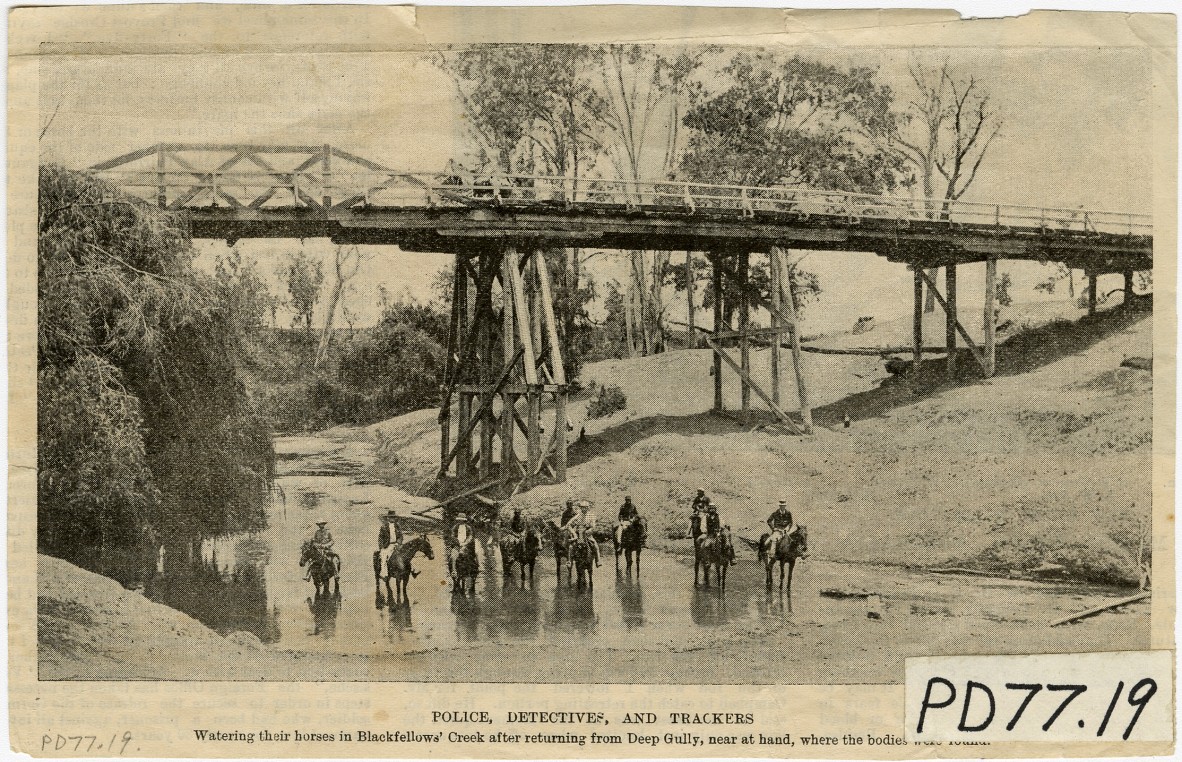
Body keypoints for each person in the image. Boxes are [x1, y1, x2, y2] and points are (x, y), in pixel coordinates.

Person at [562, 500, 600, 567]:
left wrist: (589, 531)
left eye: (585, 507)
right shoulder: (578, 516)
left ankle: (598, 560)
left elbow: (593, 526)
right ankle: (569, 562)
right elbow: (568, 524)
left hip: (587, 534)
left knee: (595, 545)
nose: (584, 509)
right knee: (571, 547)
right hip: (578, 534)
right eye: (582, 507)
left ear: (588, 508)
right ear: (580, 508)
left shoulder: (591, 515)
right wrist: (573, 533)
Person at [704, 501, 736, 565]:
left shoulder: (719, 516)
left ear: (715, 509)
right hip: (710, 535)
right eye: (710, 508)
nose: (712, 509)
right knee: (706, 545)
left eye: (713, 508)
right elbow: (703, 525)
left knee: (728, 544)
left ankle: (732, 559)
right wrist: (705, 531)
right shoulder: (705, 517)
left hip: (718, 533)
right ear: (708, 509)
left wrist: (719, 529)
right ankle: (708, 561)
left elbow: (722, 524)